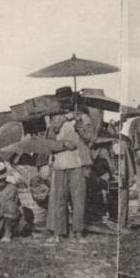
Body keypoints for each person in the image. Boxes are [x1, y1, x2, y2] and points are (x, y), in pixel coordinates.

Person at [46, 89, 95, 242]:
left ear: (73, 99)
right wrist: (63, 143)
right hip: (60, 163)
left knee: (78, 199)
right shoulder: (54, 119)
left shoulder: (83, 116)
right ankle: (58, 233)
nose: (65, 102)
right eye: (61, 100)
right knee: (59, 199)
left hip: (78, 163)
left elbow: (90, 138)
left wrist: (80, 128)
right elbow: (49, 142)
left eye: (68, 99)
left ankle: (78, 232)